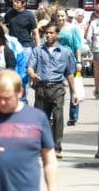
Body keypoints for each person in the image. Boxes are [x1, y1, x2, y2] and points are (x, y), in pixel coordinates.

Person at [27, 22, 78, 159]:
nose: (48, 35)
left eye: (51, 33)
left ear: (58, 35)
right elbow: (30, 66)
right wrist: (32, 74)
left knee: (58, 117)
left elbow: (69, 73)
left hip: (57, 88)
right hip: (41, 88)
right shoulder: (38, 50)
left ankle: (56, 147)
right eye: (46, 33)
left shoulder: (65, 52)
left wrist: (74, 92)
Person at [4, 0, 38, 100]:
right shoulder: (9, 13)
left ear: (24, 4)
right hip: (12, 46)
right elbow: (4, 26)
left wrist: (38, 49)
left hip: (25, 47)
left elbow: (35, 33)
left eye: (18, 2)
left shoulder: (29, 15)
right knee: (11, 71)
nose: (15, 3)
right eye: (14, 1)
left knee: (23, 73)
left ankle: (23, 99)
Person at [85, 4, 99, 99]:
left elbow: (88, 37)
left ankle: (97, 89)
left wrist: (91, 47)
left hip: (97, 48)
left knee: (97, 70)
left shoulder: (93, 22)